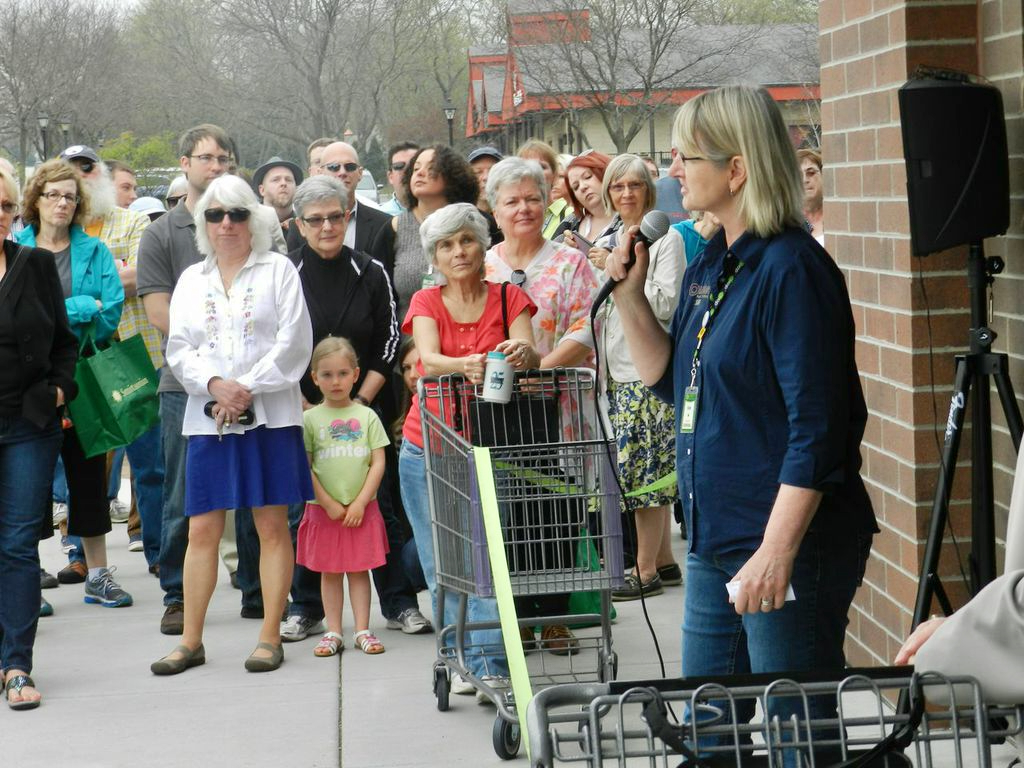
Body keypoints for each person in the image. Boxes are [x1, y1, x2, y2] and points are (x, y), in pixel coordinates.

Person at [604, 85, 877, 731]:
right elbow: (672, 382)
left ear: (737, 168)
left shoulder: (792, 269)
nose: (671, 172)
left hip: (784, 544)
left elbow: (818, 430)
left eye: (685, 158)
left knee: (796, 733)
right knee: (707, 729)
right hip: (715, 540)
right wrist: (629, 297)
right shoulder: (720, 262)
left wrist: (778, 551)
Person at [151, 174, 313, 675]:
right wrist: (217, 384)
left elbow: (294, 343)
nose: (226, 224)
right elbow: (179, 347)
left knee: (269, 524)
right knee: (202, 529)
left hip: (271, 415)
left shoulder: (279, 270)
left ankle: (269, 634)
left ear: (254, 219)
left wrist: (245, 387)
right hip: (210, 418)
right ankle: (191, 642)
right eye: (215, 215)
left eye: (237, 214)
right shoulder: (191, 280)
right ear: (202, 223)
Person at [400, 202, 540, 698]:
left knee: (484, 556)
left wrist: (524, 353)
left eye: (466, 240)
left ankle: (490, 663)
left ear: (484, 246)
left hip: (491, 444)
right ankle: (459, 654)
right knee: (442, 561)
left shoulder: (509, 297)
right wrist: (464, 365)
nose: (457, 252)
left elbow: (530, 353)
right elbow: (427, 359)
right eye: (445, 245)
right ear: (433, 257)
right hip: (428, 447)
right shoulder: (426, 303)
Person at [283, 175, 430, 640]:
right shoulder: (286, 275)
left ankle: (398, 602)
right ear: (299, 225)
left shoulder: (370, 271)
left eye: (335, 216)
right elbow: (277, 343)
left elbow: (389, 342)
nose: (327, 226)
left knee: (379, 508)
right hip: (305, 410)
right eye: (316, 219)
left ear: (348, 218)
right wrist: (309, 402)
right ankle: (305, 607)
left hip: (366, 410)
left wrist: (358, 402)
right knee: (310, 511)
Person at [138, 123, 263, 635]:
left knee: (258, 493)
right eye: (205, 157)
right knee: (184, 495)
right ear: (184, 164)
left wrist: (242, 375)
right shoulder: (164, 233)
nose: (215, 166)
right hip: (185, 386)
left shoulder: (252, 224)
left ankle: (256, 589)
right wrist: (213, 374)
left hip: (254, 383)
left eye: (224, 158)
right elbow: (159, 312)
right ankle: (177, 594)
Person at [17, 160, 131, 609]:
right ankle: (30, 576)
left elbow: (110, 315)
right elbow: (17, 317)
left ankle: (98, 575)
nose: (63, 203)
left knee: (88, 477)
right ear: (36, 200)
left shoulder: (96, 251)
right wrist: (81, 304)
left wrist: (59, 311)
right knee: (30, 479)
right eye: (54, 195)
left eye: (70, 196)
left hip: (83, 376)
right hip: (27, 381)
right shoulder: (15, 248)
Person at [59, 145, 164, 576]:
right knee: (83, 470)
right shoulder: (58, 230)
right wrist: (111, 280)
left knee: (150, 467)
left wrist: (79, 291)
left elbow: (144, 275)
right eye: (71, 172)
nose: (81, 177)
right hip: (79, 362)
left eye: (88, 168)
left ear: (100, 174)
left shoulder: (134, 220)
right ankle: (79, 555)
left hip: (135, 357)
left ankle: (161, 554)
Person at [586, 154, 682, 602]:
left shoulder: (667, 241)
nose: (626, 194)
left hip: (646, 370)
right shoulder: (608, 236)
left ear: (649, 191)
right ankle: (663, 559)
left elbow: (666, 304)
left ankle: (643, 571)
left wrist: (621, 272)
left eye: (635, 186)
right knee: (647, 468)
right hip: (615, 370)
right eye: (618, 186)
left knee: (645, 474)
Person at [0, 165, 78, 709]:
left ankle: (16, 665)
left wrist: (57, 391)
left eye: (5, 208)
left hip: (28, 424)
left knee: (17, 544)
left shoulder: (36, 264)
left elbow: (64, 343)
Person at [299, 337, 390, 657]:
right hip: (324, 511)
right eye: (326, 375)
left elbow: (378, 461)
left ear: (356, 374)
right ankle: (333, 630)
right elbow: (305, 467)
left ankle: (363, 628)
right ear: (314, 378)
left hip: (362, 510)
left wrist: (362, 501)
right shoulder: (309, 420)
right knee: (330, 570)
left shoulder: (367, 417)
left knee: (359, 569)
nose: (335, 381)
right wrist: (328, 502)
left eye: (342, 373)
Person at [371, 144, 480, 324]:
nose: (420, 173)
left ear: (452, 176)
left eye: (431, 168)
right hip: (409, 342)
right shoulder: (394, 228)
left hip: (469, 338)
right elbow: (378, 295)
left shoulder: (475, 224)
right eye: (416, 169)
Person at [558, 150, 617, 247]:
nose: (582, 187)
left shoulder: (627, 219)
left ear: (605, 173)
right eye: (575, 186)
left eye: (587, 177)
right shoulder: (569, 223)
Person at [517, 140, 568, 239]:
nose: (536, 172)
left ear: (554, 174)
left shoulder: (569, 212)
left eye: (542, 166)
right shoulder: (514, 214)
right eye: (528, 166)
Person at [252, 156, 303, 237]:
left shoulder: (306, 227)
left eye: (288, 180)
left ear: (296, 189)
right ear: (262, 190)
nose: (283, 183)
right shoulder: (249, 226)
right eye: (276, 180)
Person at [381, 142, 419, 216]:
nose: (407, 171)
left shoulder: (439, 214)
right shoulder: (380, 217)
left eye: (413, 165)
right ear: (390, 177)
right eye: (399, 166)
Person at [798, 148, 824, 245]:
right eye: (799, 175)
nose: (805, 180)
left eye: (811, 173)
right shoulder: (789, 225)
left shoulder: (837, 217)